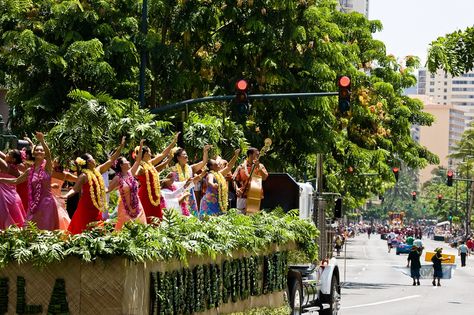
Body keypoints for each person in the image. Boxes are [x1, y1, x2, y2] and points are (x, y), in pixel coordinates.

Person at [0, 132, 65, 230]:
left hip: (47, 203)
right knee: (31, 228)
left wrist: (42, 141)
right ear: (34, 153)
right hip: (34, 204)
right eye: (37, 150)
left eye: (41, 150)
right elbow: (16, 181)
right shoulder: (30, 170)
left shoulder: (47, 167)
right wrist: (1, 179)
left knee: (46, 228)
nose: (39, 151)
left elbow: (48, 155)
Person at [64, 137, 125, 234]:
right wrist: (65, 196)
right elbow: (75, 189)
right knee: (83, 227)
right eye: (92, 159)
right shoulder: (83, 176)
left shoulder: (98, 171)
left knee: (97, 228)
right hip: (86, 206)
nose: (94, 160)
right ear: (88, 162)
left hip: (97, 205)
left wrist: (121, 146)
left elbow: (111, 160)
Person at [135, 133, 180, 222]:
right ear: (145, 154)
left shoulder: (150, 163)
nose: (151, 153)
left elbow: (163, 154)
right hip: (145, 195)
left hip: (154, 193)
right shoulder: (140, 166)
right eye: (149, 152)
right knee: (148, 217)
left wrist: (173, 143)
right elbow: (135, 173)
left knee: (156, 218)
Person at [108, 139, 147, 231]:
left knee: (140, 227)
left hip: (137, 205)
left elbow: (138, 161)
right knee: (125, 230)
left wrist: (141, 146)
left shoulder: (131, 173)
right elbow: (108, 189)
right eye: (126, 161)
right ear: (121, 165)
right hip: (125, 208)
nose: (129, 162)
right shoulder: (118, 178)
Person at [172, 144, 212, 216]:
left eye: (186, 154)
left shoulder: (191, 168)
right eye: (184, 154)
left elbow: (204, 162)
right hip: (179, 196)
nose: (186, 156)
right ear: (178, 157)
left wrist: (205, 152)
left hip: (190, 196)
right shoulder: (173, 170)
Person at [200, 149, 240, 216]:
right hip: (210, 203)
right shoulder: (211, 174)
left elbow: (228, 167)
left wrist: (235, 156)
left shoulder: (219, 174)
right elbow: (210, 181)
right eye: (216, 164)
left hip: (218, 201)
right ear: (211, 167)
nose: (218, 165)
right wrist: (212, 184)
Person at [233, 147, 269, 213]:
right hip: (242, 194)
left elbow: (265, 177)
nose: (258, 156)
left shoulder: (261, 166)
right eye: (256, 155)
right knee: (240, 216)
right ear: (250, 155)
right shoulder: (241, 167)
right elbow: (234, 179)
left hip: (255, 195)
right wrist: (237, 189)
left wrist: (259, 168)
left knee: (252, 216)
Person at [0, 149, 26, 229]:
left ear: (13, 159)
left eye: (8, 153)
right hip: (13, 198)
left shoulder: (6, 167)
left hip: (6, 198)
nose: (6, 154)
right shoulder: (16, 169)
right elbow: (3, 156)